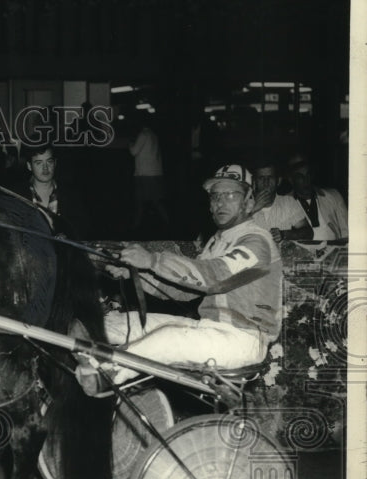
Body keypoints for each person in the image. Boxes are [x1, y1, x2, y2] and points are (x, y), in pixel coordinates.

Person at [78, 164, 282, 393]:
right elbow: (185, 291)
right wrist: (138, 274)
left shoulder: (257, 241)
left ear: (249, 201)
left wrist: (152, 261)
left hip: (244, 340)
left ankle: (105, 373)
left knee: (167, 338)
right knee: (127, 322)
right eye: (216, 196)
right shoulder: (219, 241)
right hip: (210, 329)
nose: (221, 202)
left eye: (231, 195)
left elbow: (213, 276)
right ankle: (78, 341)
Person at [20, 143, 93, 238]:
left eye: (49, 162)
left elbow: (84, 230)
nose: (45, 168)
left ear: (55, 163)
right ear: (29, 166)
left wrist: (68, 237)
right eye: (39, 163)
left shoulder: (72, 196)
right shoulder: (16, 195)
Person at [286, 153, 349, 242]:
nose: (306, 180)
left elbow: (347, 232)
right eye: (300, 177)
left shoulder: (333, 196)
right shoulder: (284, 203)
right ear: (291, 180)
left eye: (308, 174)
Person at [249, 157, 310, 243]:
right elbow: (229, 232)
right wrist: (253, 210)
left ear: (278, 181)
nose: (266, 182)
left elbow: (308, 233)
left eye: (270, 177)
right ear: (254, 182)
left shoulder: (288, 202)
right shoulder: (244, 204)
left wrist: (284, 234)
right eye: (261, 178)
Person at [127, 115, 169, 233]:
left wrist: (130, 142)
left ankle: (136, 226)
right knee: (154, 200)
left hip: (144, 174)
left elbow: (133, 151)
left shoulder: (143, 134)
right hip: (154, 172)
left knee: (143, 201)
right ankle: (167, 223)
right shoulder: (153, 135)